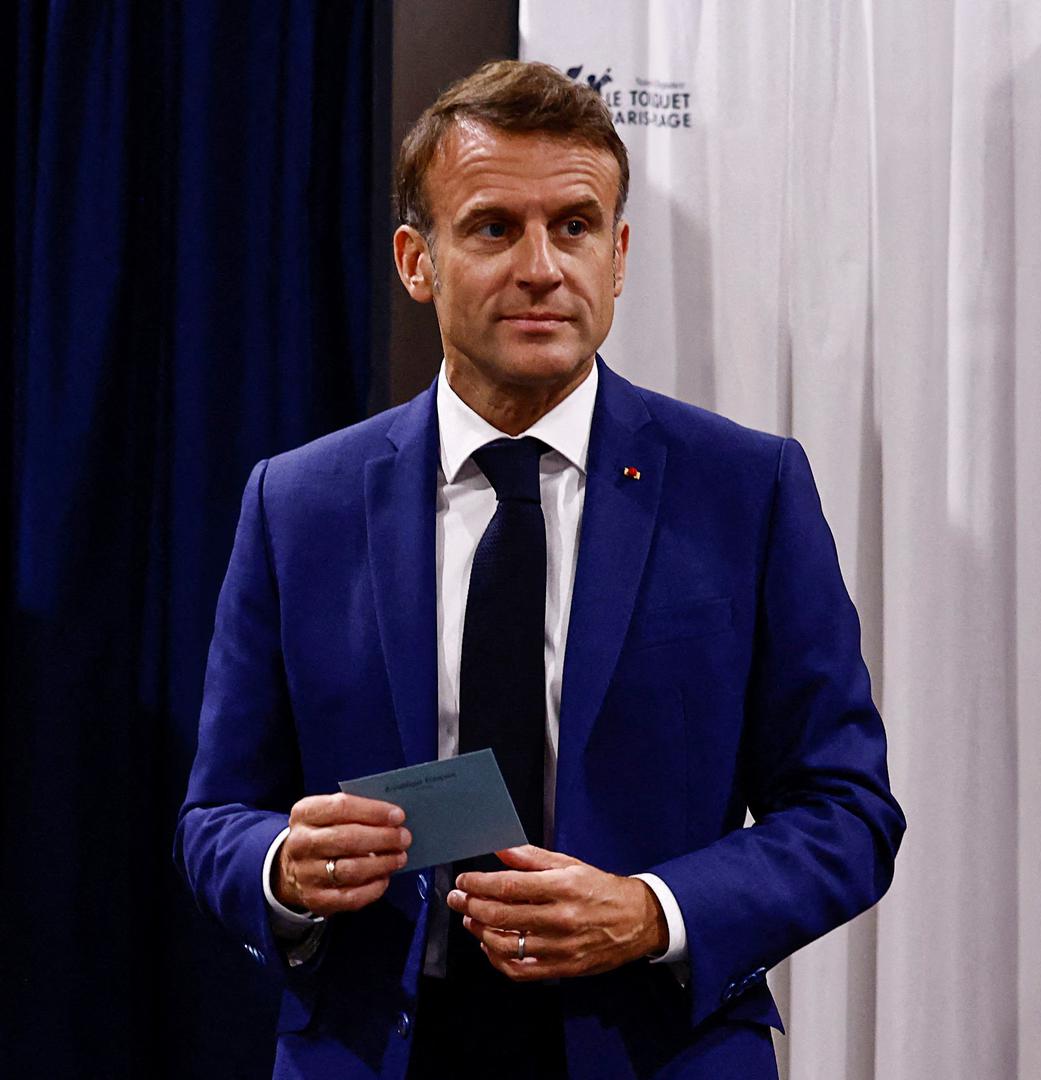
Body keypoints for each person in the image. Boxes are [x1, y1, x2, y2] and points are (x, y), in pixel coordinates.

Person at [175, 59, 903, 1080]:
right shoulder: (298, 504)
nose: (542, 267)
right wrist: (283, 869)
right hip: (378, 1050)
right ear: (416, 261)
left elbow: (848, 813)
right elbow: (216, 818)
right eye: (492, 228)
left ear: (618, 256)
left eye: (574, 226)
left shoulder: (747, 491)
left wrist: (651, 911)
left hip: (653, 1047)